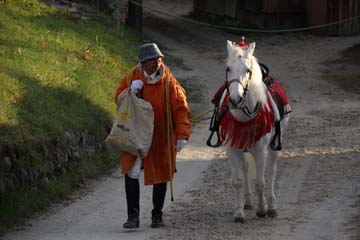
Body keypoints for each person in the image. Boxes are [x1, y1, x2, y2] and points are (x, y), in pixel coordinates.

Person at [114, 43, 192, 229]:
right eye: (153, 60)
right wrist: (129, 91)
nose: (158, 62)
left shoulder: (169, 82)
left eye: (159, 59)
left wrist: (182, 134)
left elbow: (180, 108)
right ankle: (133, 217)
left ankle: (157, 215)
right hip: (136, 134)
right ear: (143, 62)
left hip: (161, 136)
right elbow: (118, 99)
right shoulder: (131, 77)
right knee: (131, 173)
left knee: (162, 174)